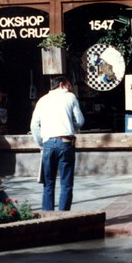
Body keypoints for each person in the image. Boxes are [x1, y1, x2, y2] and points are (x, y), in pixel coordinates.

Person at [30, 76, 85, 211]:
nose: (70, 88)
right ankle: (63, 216)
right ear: (61, 84)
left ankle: (47, 217)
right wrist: (72, 124)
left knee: (48, 184)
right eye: (68, 85)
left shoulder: (42, 100)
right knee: (66, 183)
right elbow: (80, 121)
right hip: (65, 142)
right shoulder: (70, 97)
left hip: (48, 143)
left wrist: (41, 144)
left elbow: (34, 126)